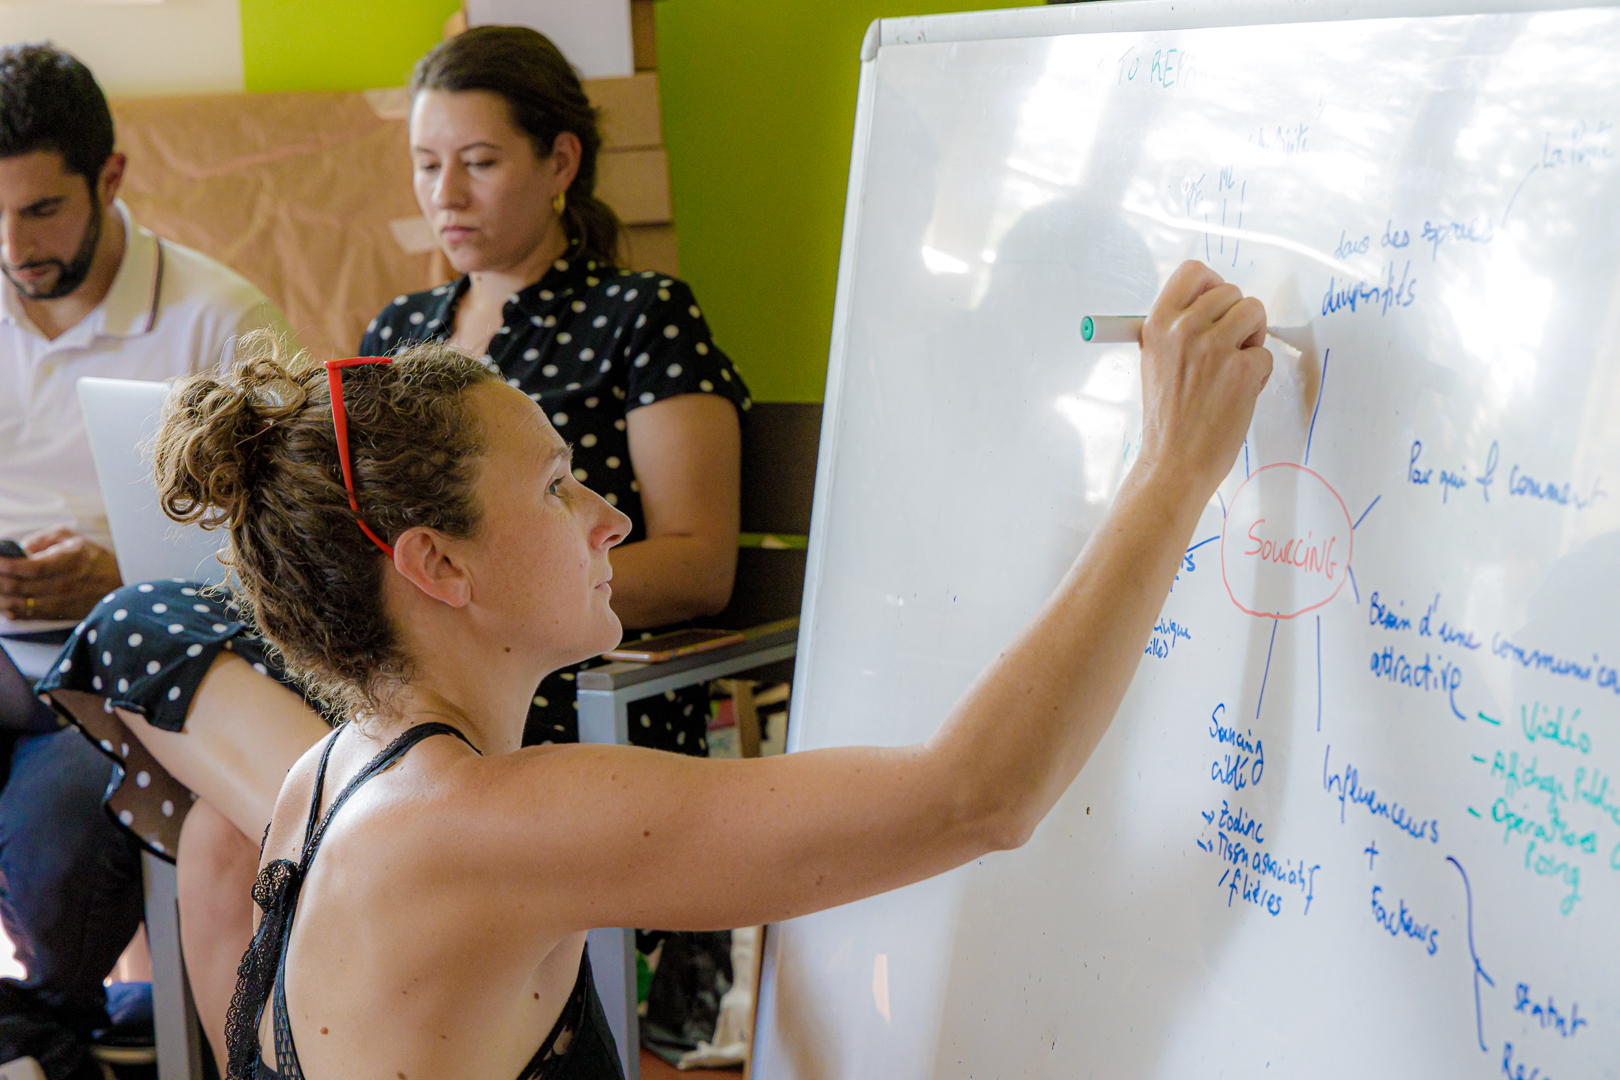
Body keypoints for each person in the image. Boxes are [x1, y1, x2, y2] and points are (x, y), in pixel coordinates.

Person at [87, 256, 1266, 1079]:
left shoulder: (333, 776)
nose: (610, 519)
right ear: (440, 564)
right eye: (557, 487)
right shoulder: (486, 822)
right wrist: (1173, 469)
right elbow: (977, 797)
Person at [40, 25, 749, 1072]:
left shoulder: (638, 315)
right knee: (206, 799)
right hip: (398, 674)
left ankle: (370, 824)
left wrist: (496, 595)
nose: (444, 194)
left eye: (479, 161)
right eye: (425, 165)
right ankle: (369, 826)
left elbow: (698, 562)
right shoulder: (401, 330)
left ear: (560, 162)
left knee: (234, 817)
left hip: (551, 676)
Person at [0, 43, 289, 1080]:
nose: (14, 245)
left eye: (41, 210)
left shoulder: (223, 320)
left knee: (58, 855)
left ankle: (40, 1033)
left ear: (110, 177)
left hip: (133, 674)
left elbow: (294, 552)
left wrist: (116, 574)